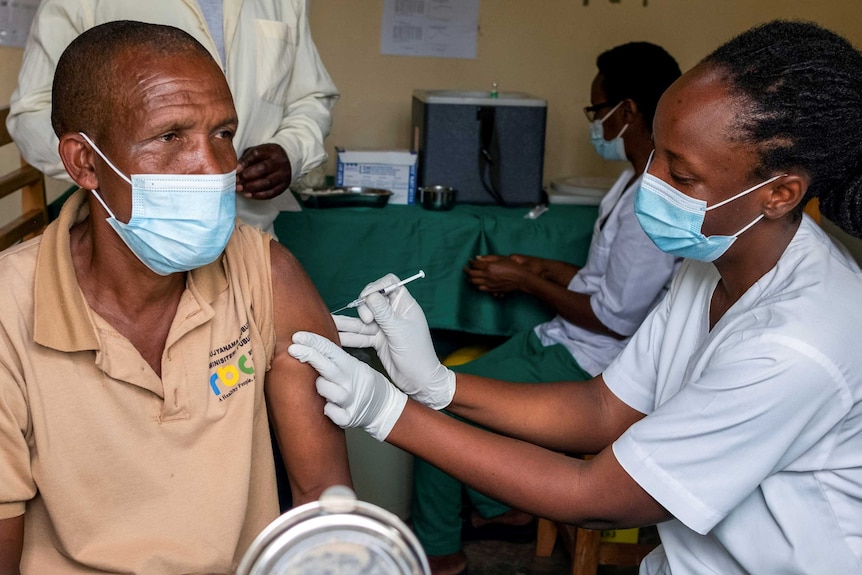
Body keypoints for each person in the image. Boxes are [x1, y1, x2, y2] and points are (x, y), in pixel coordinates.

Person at [289, 19, 862, 574]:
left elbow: (597, 496)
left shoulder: (797, 342)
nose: (653, 179)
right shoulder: (712, 260)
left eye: (682, 176)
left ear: (780, 192)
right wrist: (438, 384)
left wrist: (385, 409)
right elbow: (603, 410)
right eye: (656, 152)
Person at [0, 21, 351, 574]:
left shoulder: (265, 274)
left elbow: (322, 501)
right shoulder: (8, 310)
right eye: (170, 137)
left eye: (223, 133)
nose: (214, 168)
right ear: (84, 162)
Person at [407, 42, 681, 573]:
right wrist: (532, 269)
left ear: (627, 111)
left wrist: (526, 282)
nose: (594, 123)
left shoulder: (655, 200)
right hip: (567, 339)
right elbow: (603, 282)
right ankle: (506, 504)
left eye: (597, 110)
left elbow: (612, 317)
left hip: (593, 360)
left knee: (429, 406)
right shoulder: (629, 182)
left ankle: (439, 552)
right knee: (445, 387)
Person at [6, 0, 337, 237]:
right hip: (129, 234)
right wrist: (112, 170)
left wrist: (291, 150)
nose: (209, 166)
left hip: (247, 227)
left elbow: (311, 96)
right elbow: (32, 112)